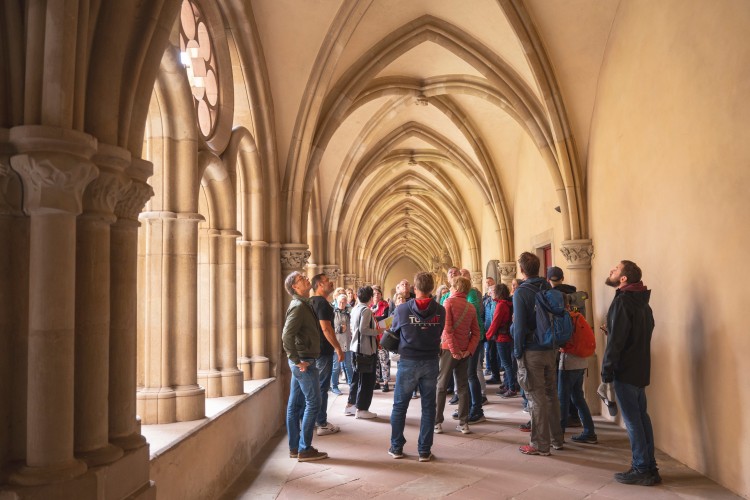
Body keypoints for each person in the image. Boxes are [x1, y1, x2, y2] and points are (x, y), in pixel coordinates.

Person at [601, 260, 660, 486]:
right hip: (641, 368)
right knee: (642, 418)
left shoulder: (623, 302)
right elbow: (644, 332)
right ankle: (650, 467)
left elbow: (617, 342)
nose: (611, 271)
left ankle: (641, 468)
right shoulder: (643, 304)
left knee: (633, 422)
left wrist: (607, 370)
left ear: (623, 278)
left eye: (615, 269)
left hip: (625, 370)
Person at [388, 272, 445, 462]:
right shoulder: (440, 310)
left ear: (415, 287)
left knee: (400, 406)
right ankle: (424, 451)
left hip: (408, 361)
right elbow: (439, 331)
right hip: (430, 361)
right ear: (432, 287)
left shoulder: (403, 309)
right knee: (429, 407)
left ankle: (396, 447)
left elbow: (394, 331)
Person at [513, 252, 564, 456]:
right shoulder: (547, 286)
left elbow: (519, 325)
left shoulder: (521, 292)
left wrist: (517, 351)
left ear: (522, 270)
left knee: (535, 397)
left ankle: (539, 445)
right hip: (550, 348)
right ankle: (556, 440)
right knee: (551, 394)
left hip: (532, 350)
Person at [281, 271, 328, 462]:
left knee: (294, 405)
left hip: (302, 360)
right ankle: (305, 448)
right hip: (304, 362)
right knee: (314, 403)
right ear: (295, 286)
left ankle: (295, 448)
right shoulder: (299, 307)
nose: (307, 279)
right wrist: (296, 359)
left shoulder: (303, 304)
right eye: (302, 278)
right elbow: (286, 336)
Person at [435, 276, 480, 435]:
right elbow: (476, 333)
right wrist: (468, 350)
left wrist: (454, 351)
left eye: (451, 286)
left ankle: (437, 422)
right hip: (464, 351)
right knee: (462, 386)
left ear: (455, 287)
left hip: (449, 350)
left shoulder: (448, 303)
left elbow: (447, 330)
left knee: (441, 385)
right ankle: (463, 423)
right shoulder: (470, 307)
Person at [309, 274, 344, 436]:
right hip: (323, 350)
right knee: (322, 387)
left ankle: (312, 420)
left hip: (312, 350)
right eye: (327, 281)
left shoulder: (310, 302)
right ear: (319, 285)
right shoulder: (322, 303)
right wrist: (338, 348)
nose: (331, 282)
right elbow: (326, 328)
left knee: (313, 387)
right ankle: (321, 422)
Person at [345, 286, 380, 419]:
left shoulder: (355, 309)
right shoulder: (366, 311)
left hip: (355, 349)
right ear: (370, 297)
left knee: (356, 378)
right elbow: (363, 330)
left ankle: (351, 405)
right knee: (367, 380)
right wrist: (379, 331)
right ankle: (362, 409)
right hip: (365, 350)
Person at [486, 283, 517, 398]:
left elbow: (495, 323)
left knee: (506, 364)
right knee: (508, 363)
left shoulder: (501, 305)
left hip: (502, 337)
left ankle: (511, 388)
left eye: (493, 291)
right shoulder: (507, 304)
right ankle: (508, 384)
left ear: (499, 293)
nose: (491, 293)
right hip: (508, 337)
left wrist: (487, 336)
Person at [371, 286, 391, 392]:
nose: (376, 295)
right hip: (372, 337)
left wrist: (374, 319)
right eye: (374, 294)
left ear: (381, 295)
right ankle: (376, 381)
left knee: (384, 360)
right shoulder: (369, 306)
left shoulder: (385, 305)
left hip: (382, 337)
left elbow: (386, 319)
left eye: (378, 293)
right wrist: (378, 319)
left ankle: (386, 382)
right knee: (376, 361)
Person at [332, 293, 353, 393]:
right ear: (337, 302)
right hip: (337, 343)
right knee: (336, 367)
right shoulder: (333, 312)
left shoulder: (348, 312)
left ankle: (351, 384)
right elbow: (329, 328)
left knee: (349, 365)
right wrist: (339, 328)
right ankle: (334, 386)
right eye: (340, 302)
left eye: (344, 302)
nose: (341, 304)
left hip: (347, 343)